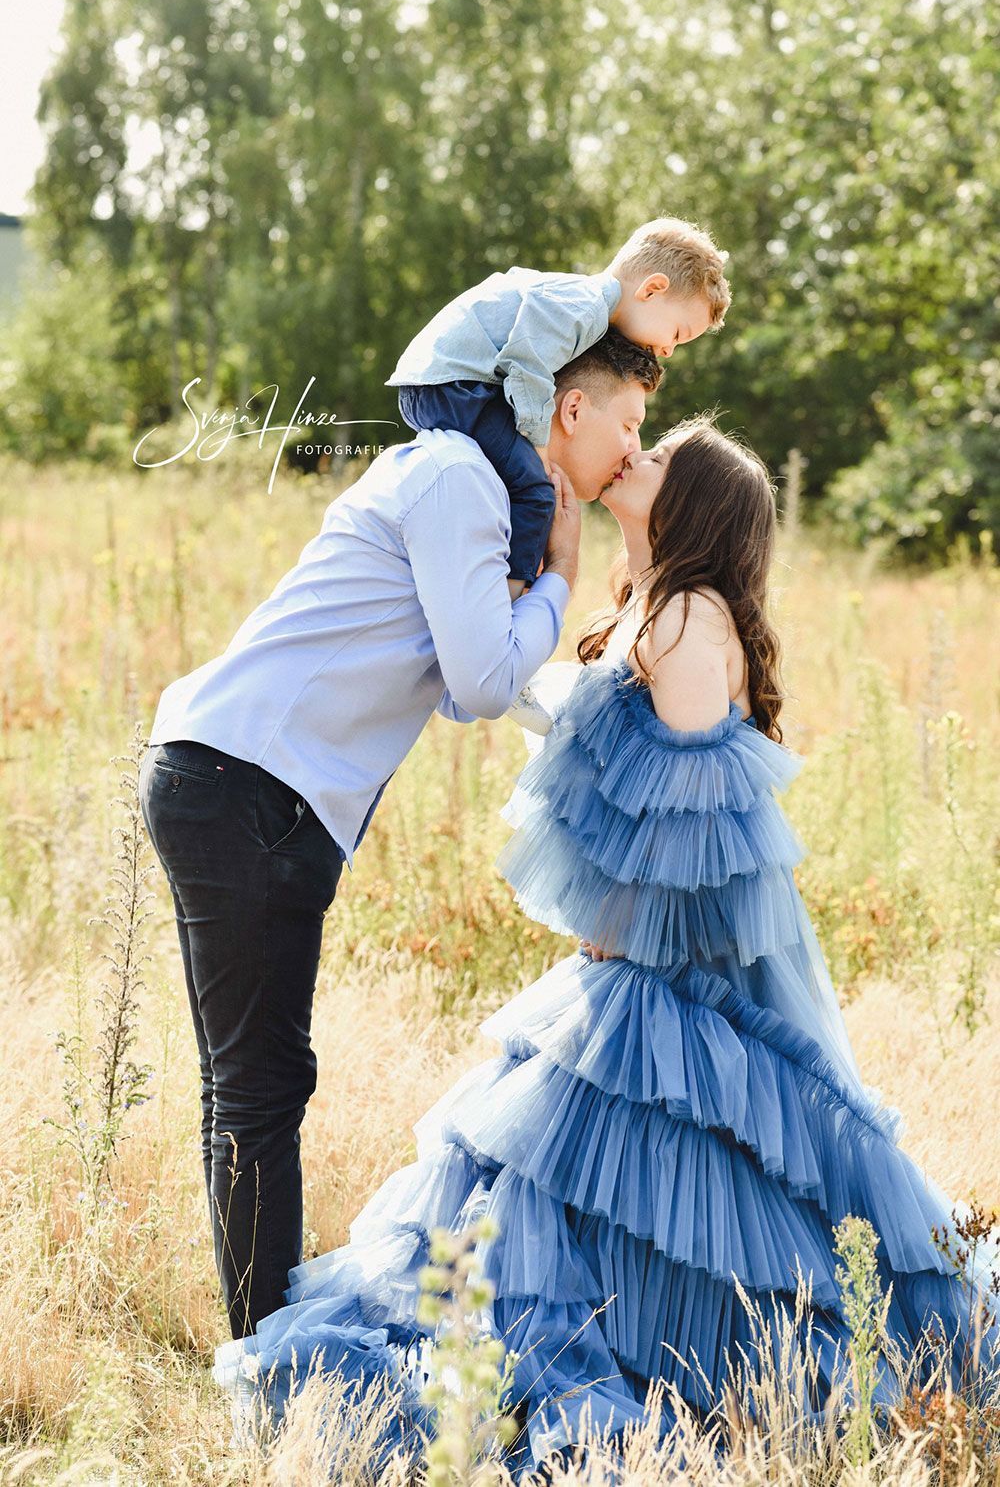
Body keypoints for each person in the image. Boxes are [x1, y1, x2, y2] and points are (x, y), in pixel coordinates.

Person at [212, 417, 1000, 1479]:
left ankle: (685, 1378)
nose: (635, 456)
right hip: (626, 960)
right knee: (557, 1191)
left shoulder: (682, 616)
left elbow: (697, 826)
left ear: (695, 507)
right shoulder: (650, 604)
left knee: (604, 1182)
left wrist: (620, 938)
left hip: (660, 970)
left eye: (660, 458)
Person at [137, 331, 662, 1349]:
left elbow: (495, 681)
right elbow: (478, 684)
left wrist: (641, 722)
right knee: (258, 1085)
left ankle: (263, 1342)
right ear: (569, 411)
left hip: (251, 787)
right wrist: (559, 577)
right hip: (242, 783)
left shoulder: (472, 488)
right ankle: (268, 1365)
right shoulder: (458, 477)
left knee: (255, 1082)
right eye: (628, 423)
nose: (631, 447)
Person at [387, 215, 730, 601]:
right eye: (677, 334)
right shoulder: (581, 308)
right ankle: (513, 594)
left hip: (446, 382)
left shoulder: (579, 301)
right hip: (452, 386)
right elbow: (526, 367)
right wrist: (540, 451)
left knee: (518, 476)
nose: (668, 350)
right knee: (536, 489)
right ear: (652, 289)